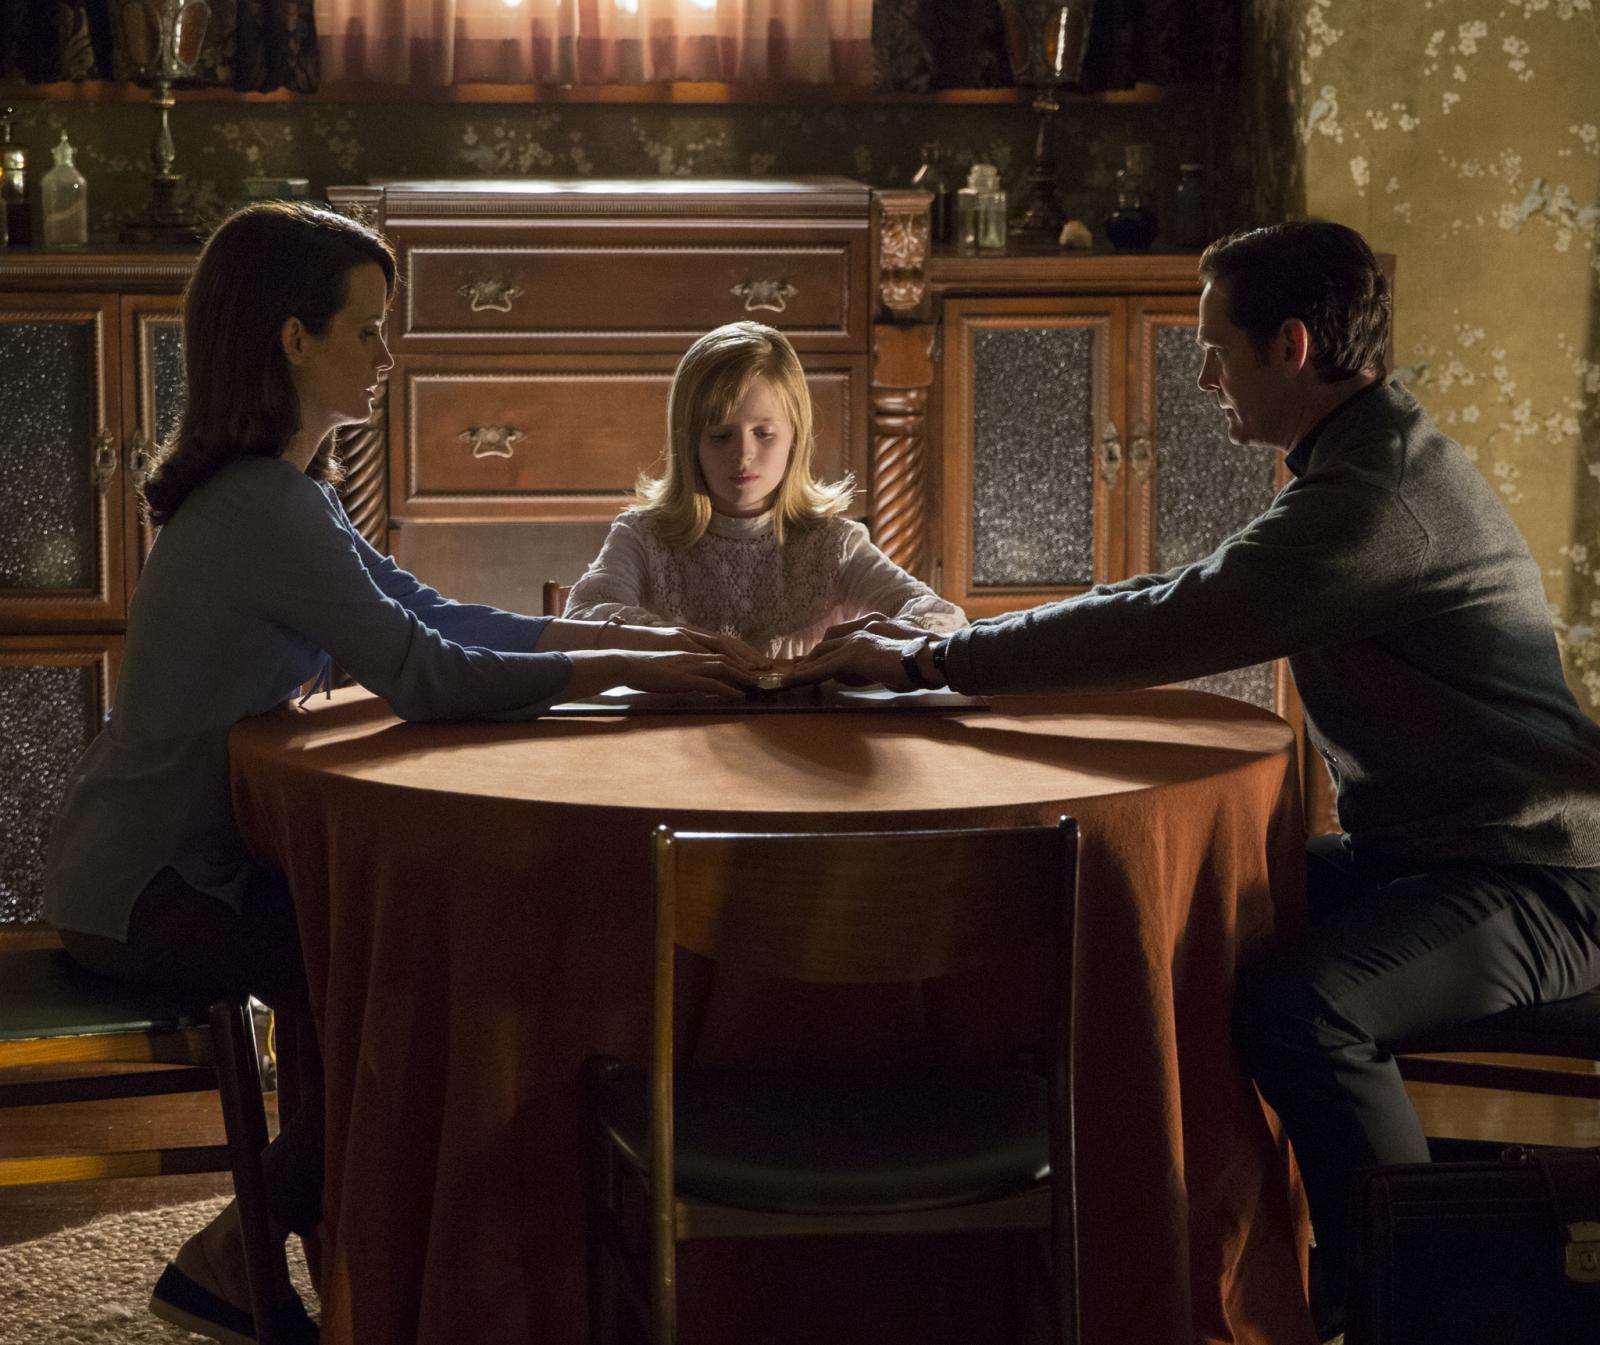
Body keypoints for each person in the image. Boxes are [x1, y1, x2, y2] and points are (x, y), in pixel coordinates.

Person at [790, 221, 1600, 1339]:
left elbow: (1178, 616)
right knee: (1206, 921)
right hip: (1437, 858)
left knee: (1305, 1006)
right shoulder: (1364, 457)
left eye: (1216, 348)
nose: (1204, 374)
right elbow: (1187, 591)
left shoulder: (1374, 499)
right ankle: (1265, 1263)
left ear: (1292, 347)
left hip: (1542, 877)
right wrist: (947, 653)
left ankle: (1424, 1306)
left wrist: (934, 661)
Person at [42, 203, 757, 1345]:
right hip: (147, 891)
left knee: (422, 971)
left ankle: (277, 1252)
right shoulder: (262, 509)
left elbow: (433, 613)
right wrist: (623, 669)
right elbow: (427, 672)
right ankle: (242, 1253)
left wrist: (628, 644)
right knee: (430, 996)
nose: (387, 354)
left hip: (158, 870)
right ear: (294, 339)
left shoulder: (287, 497)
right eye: (367, 330)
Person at [563, 320, 965, 661]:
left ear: (795, 437)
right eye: (720, 436)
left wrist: (864, 645)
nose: (743, 454)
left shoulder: (833, 544)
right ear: (689, 443)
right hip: (676, 726)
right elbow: (581, 619)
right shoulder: (643, 536)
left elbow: (942, 619)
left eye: (763, 433)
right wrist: (682, 642)